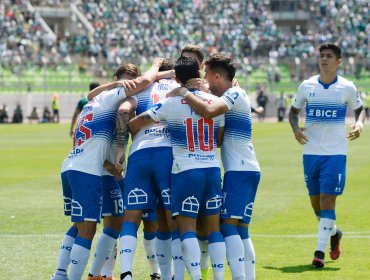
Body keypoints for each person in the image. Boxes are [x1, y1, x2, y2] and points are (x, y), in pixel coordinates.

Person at [51, 58, 163, 280]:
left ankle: (64, 273)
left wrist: (112, 164)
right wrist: (160, 68)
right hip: (92, 173)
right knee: (100, 226)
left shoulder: (93, 102)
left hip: (78, 166)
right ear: (117, 82)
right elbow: (145, 80)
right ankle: (91, 274)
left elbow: (93, 139)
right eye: (127, 83)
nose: (132, 88)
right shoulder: (114, 97)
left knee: (82, 224)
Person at [129, 56, 226, 280]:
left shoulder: (170, 102)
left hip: (185, 171)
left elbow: (136, 123)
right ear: (200, 74)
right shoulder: (214, 101)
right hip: (212, 168)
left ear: (177, 79)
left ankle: (194, 277)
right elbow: (219, 140)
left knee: (186, 229)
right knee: (213, 230)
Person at [174, 53, 261, 280]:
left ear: (217, 75)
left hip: (240, 169)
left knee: (229, 226)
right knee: (240, 228)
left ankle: (240, 277)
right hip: (246, 168)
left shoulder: (234, 93)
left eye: (207, 75)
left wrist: (184, 92)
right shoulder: (234, 92)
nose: (205, 80)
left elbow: (209, 111)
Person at [288, 43, 365, 268]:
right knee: (317, 207)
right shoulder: (307, 85)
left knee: (327, 200)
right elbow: (293, 113)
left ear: (338, 62)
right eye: (321, 56)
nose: (324, 59)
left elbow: (360, 109)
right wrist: (295, 130)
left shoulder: (347, 87)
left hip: (335, 153)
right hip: (311, 152)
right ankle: (334, 233)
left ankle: (319, 252)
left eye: (329, 56)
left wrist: (360, 124)